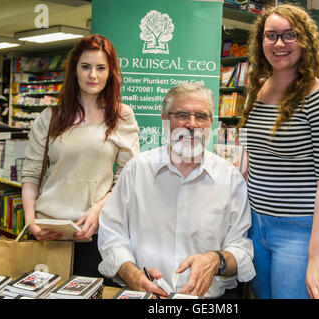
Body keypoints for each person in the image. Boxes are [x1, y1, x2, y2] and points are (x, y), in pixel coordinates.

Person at [97, 83, 255, 298]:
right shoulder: (137, 170)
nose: (192, 124)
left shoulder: (230, 179)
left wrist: (216, 260)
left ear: (211, 123)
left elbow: (241, 248)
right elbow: (112, 234)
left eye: (201, 116)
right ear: (165, 120)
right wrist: (130, 273)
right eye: (182, 115)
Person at [236, 4, 319, 299]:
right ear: (261, 42)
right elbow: (251, 159)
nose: (279, 43)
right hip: (254, 225)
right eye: (271, 35)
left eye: (290, 35)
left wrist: (316, 259)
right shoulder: (257, 90)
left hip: (299, 231)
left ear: (305, 41)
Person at [21, 34, 140, 278]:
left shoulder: (121, 116)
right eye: (85, 67)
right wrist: (31, 222)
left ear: (110, 73)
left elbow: (127, 177)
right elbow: (31, 175)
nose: (93, 75)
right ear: (75, 70)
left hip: (95, 233)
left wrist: (99, 208)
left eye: (100, 68)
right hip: (49, 231)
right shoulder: (50, 117)